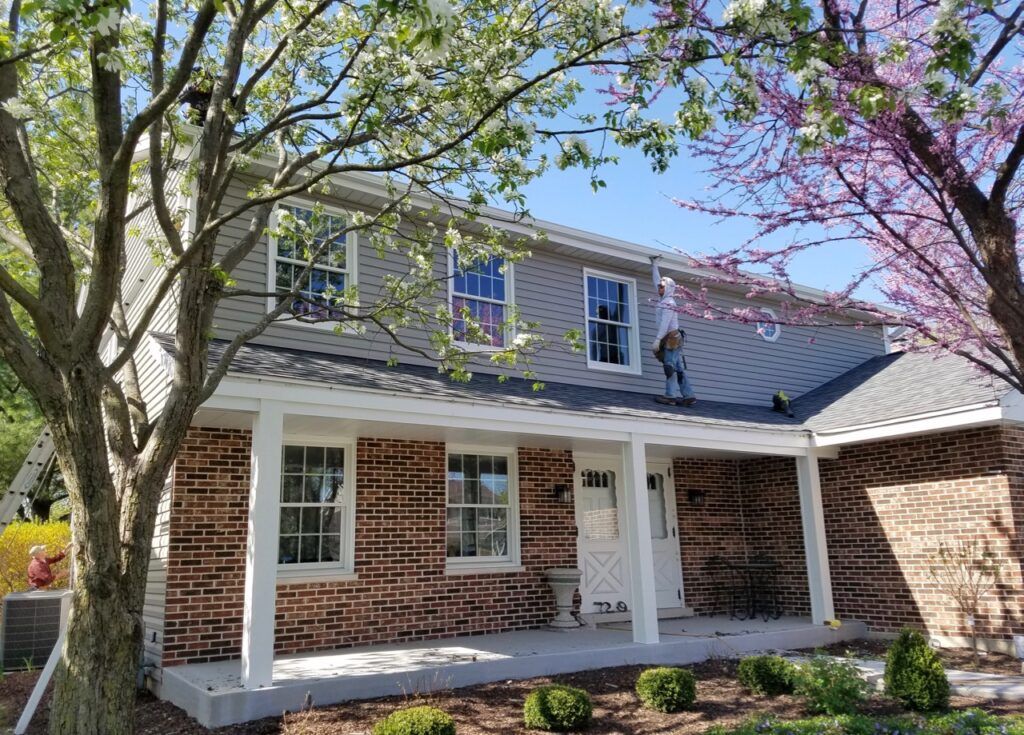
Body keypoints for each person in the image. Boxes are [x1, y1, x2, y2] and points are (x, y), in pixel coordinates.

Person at [651, 256, 697, 407]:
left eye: (662, 287)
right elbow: (657, 280)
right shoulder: (664, 300)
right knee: (677, 368)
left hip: (671, 339)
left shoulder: (669, 303)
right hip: (671, 339)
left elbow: (665, 324)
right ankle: (689, 395)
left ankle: (670, 396)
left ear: (669, 288)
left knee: (669, 367)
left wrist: (658, 340)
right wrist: (654, 265)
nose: (659, 288)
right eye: (659, 287)